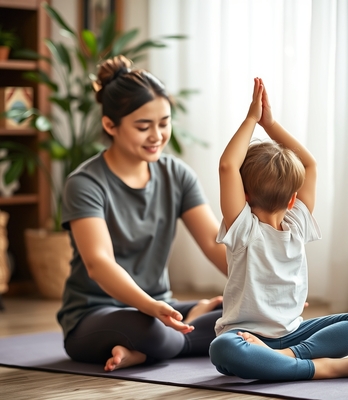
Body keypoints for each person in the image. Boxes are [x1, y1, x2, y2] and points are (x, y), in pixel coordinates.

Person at [57, 55, 227, 372]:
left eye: (164, 123)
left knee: (245, 313)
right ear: (110, 125)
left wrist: (265, 292)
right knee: (148, 329)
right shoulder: (84, 183)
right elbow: (99, 264)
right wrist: (149, 307)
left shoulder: (177, 174)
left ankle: (148, 350)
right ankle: (166, 338)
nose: (157, 136)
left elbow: (215, 243)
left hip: (162, 308)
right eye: (143, 126)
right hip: (96, 315)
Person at [209, 77, 348, 381]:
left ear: (244, 194)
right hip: (244, 338)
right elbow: (310, 164)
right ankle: (317, 366)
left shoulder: (243, 224)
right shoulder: (290, 220)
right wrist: (270, 124)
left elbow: (227, 166)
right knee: (225, 347)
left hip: (291, 335)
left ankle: (285, 359)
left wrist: (252, 119)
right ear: (292, 199)